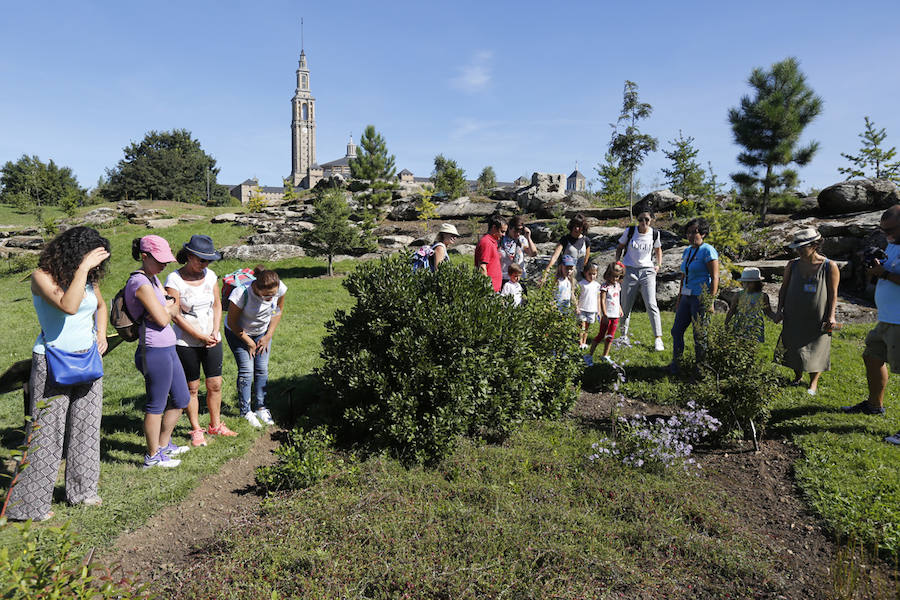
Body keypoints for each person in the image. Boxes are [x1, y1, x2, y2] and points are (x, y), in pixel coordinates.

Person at [6, 227, 110, 521]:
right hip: (53, 362)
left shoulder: (88, 278)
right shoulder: (41, 277)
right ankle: (29, 507)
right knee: (46, 435)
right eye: (94, 258)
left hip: (87, 359)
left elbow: (100, 306)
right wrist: (83, 269)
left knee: (87, 429)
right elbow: (69, 306)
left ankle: (83, 492)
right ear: (77, 255)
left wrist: (100, 334)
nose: (98, 267)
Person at [125, 235, 191, 468]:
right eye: (159, 259)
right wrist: (169, 308)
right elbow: (164, 318)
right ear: (144, 256)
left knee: (182, 398)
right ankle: (152, 457)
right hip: (153, 350)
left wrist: (168, 307)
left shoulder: (153, 278)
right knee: (156, 405)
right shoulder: (139, 283)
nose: (165, 264)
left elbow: (171, 304)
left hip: (168, 347)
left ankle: (163, 445)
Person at [165, 235, 236, 447]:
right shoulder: (174, 280)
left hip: (212, 338)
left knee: (215, 383)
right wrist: (198, 336)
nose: (205, 265)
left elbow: (216, 305)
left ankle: (215, 424)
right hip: (186, 342)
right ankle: (196, 429)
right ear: (189, 256)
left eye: (208, 261)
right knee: (192, 387)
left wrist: (214, 331)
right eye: (201, 260)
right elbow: (174, 314)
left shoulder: (211, 276)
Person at [841, 205, 900, 439]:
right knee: (872, 356)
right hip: (886, 318)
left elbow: (889, 275)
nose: (886, 234)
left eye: (891, 230)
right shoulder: (893, 245)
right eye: (883, 230)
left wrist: (883, 273)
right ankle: (874, 405)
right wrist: (873, 267)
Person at [775, 228, 839, 396]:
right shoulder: (793, 264)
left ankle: (813, 382)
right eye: (797, 247)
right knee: (793, 345)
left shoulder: (829, 266)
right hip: (794, 312)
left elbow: (833, 293)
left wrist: (831, 316)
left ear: (815, 245)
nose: (799, 251)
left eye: (803, 247)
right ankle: (798, 376)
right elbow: (784, 288)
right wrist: (779, 309)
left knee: (818, 347)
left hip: (818, 315)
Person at [225, 265, 286, 428]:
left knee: (262, 369)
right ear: (256, 288)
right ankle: (245, 411)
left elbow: (277, 311)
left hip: (262, 333)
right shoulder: (241, 294)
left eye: (272, 295)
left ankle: (261, 407)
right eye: (266, 296)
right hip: (238, 333)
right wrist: (249, 342)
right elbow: (232, 322)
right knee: (246, 370)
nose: (270, 298)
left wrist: (268, 336)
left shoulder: (280, 289)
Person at [669, 218, 719, 373]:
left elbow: (715, 276)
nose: (690, 235)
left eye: (694, 232)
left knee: (700, 334)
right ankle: (677, 364)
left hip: (700, 297)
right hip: (686, 297)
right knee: (676, 331)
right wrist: (679, 299)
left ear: (703, 233)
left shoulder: (708, 250)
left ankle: (701, 368)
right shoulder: (688, 250)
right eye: (688, 232)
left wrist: (710, 300)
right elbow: (684, 275)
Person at [616, 210, 664, 351]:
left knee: (651, 304)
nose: (644, 222)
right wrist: (618, 263)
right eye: (641, 219)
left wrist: (658, 265)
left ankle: (658, 339)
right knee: (626, 305)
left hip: (647, 272)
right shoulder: (630, 231)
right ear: (637, 219)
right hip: (629, 270)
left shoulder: (655, 233)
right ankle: (623, 336)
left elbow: (658, 249)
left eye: (647, 219)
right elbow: (620, 247)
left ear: (651, 220)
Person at [724, 267, 776, 343]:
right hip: (741, 323)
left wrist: (776, 317)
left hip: (755, 325)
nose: (747, 285)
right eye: (745, 282)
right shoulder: (738, 295)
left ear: (757, 283)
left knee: (753, 344)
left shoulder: (763, 296)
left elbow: (768, 311)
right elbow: (732, 310)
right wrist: (726, 323)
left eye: (750, 282)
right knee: (740, 344)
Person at [587, 261, 625, 364]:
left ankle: (605, 354)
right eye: (612, 276)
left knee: (610, 336)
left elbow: (617, 299)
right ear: (608, 274)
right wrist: (604, 314)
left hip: (615, 315)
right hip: (607, 315)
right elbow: (602, 300)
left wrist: (620, 308)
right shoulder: (605, 286)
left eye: (617, 277)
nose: (614, 279)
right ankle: (589, 355)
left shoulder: (617, 286)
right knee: (601, 335)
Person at [542, 213, 590, 285]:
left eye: (579, 226)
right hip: (565, 277)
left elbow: (586, 260)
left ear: (583, 227)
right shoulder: (564, 239)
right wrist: (545, 274)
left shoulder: (586, 240)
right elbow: (554, 257)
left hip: (580, 277)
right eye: (575, 226)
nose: (576, 229)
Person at [499, 215, 538, 283]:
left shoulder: (521, 240)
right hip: (505, 277)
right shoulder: (501, 239)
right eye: (515, 231)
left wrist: (528, 237)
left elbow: (533, 253)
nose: (518, 234)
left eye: (520, 231)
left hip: (519, 277)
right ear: (509, 228)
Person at [474, 215, 506, 292]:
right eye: (502, 231)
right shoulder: (486, 242)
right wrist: (487, 289)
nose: (504, 235)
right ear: (494, 228)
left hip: (495, 289)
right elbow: (482, 266)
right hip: (489, 290)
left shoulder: (492, 242)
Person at [576, 262, 601, 349]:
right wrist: (577, 306)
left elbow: (598, 298)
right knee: (581, 326)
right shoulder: (581, 284)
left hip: (592, 309)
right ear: (585, 273)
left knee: (587, 327)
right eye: (589, 274)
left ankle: (584, 342)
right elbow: (577, 296)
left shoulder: (597, 285)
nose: (592, 276)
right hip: (582, 308)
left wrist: (599, 310)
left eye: (594, 274)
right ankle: (580, 342)